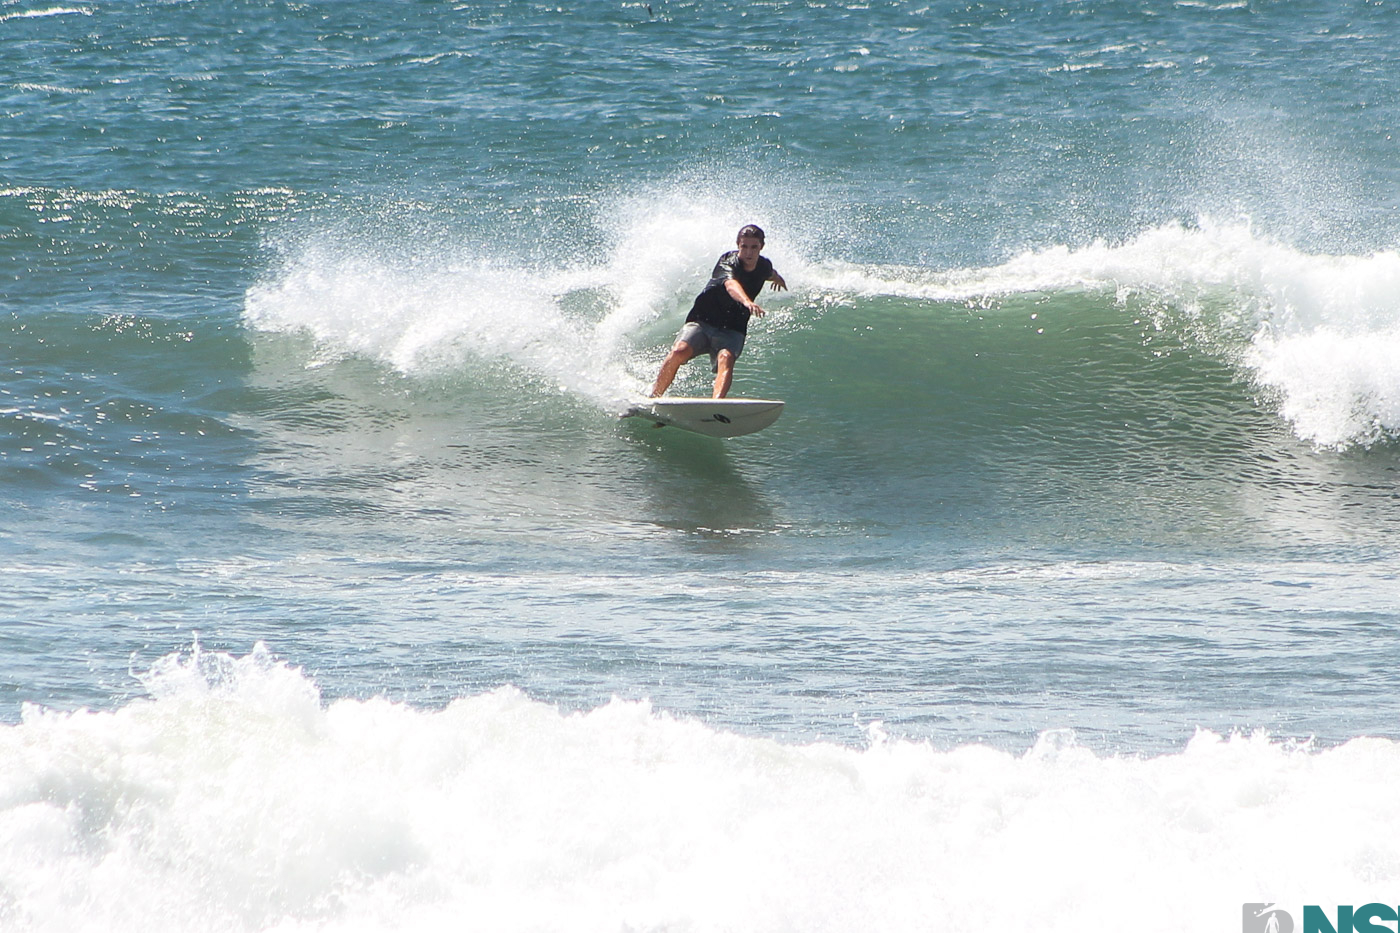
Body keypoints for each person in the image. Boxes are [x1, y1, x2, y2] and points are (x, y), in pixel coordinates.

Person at [649, 224, 787, 399]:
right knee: (679, 351)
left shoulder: (764, 265)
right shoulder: (727, 262)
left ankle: (716, 406)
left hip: (733, 326)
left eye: (754, 247)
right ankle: (654, 397)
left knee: (726, 358)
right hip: (703, 319)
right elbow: (731, 285)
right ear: (738, 245)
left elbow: (770, 273)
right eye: (744, 246)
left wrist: (779, 279)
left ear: (761, 247)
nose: (749, 252)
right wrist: (746, 301)